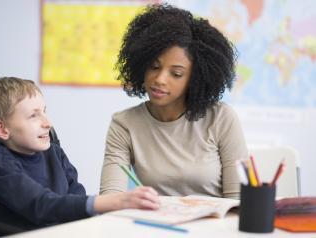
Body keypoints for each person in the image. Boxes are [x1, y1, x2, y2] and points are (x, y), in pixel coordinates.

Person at [0, 77, 160, 238]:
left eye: (44, 111)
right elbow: (41, 205)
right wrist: (114, 201)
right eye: (33, 115)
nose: (48, 123)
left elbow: (75, 193)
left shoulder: (53, 152)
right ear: (2, 129)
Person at [100, 4, 248, 199]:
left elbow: (239, 200)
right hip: (157, 225)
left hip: (216, 226)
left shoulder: (221, 118)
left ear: (195, 78)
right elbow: (110, 198)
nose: (160, 79)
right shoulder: (124, 124)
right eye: (154, 67)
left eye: (176, 73)